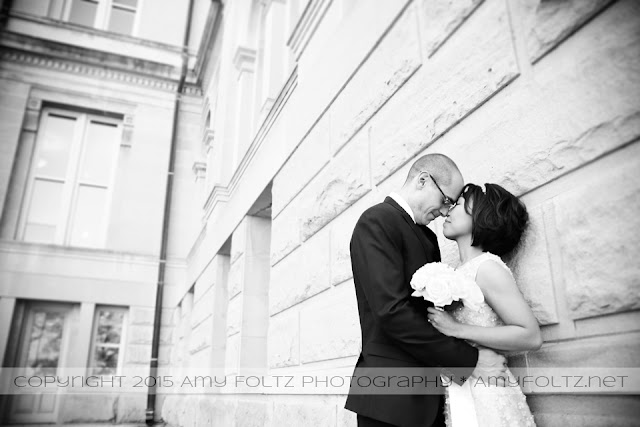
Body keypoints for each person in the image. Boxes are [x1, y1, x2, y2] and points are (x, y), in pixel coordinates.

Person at [345, 154, 508, 427]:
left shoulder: (427, 236)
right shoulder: (377, 221)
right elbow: (392, 312)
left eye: (452, 205)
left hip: (432, 395)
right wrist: (469, 361)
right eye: (446, 201)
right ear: (423, 180)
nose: (446, 211)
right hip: (391, 398)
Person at [427, 182, 542, 426]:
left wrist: (458, 329)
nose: (448, 211)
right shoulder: (458, 272)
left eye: (458, 205)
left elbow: (530, 336)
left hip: (489, 393)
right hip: (462, 388)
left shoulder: (487, 268)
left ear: (482, 217)